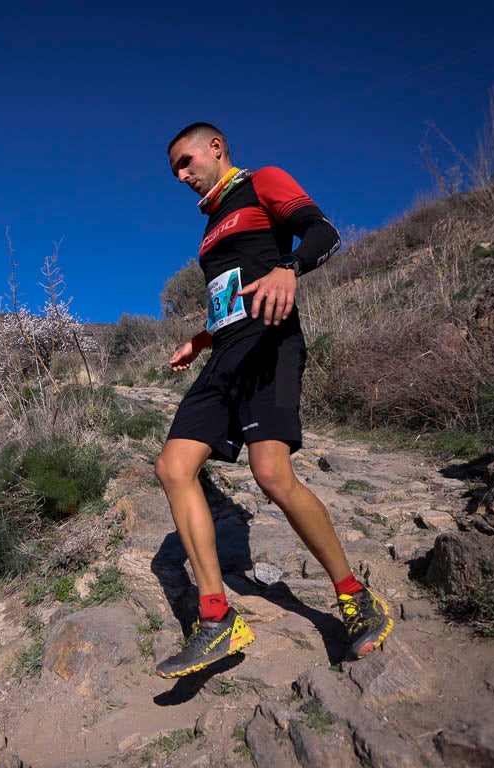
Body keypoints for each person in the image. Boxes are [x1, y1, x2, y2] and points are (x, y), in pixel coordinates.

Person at [154, 123, 393, 678]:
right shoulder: (211, 227)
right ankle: (217, 620)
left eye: (186, 162)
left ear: (216, 147)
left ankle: (354, 596)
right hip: (225, 354)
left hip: (271, 343)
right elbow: (232, 293)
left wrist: (290, 269)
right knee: (173, 467)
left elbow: (323, 232)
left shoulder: (262, 182)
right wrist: (202, 338)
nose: (183, 176)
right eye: (175, 173)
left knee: (272, 475)